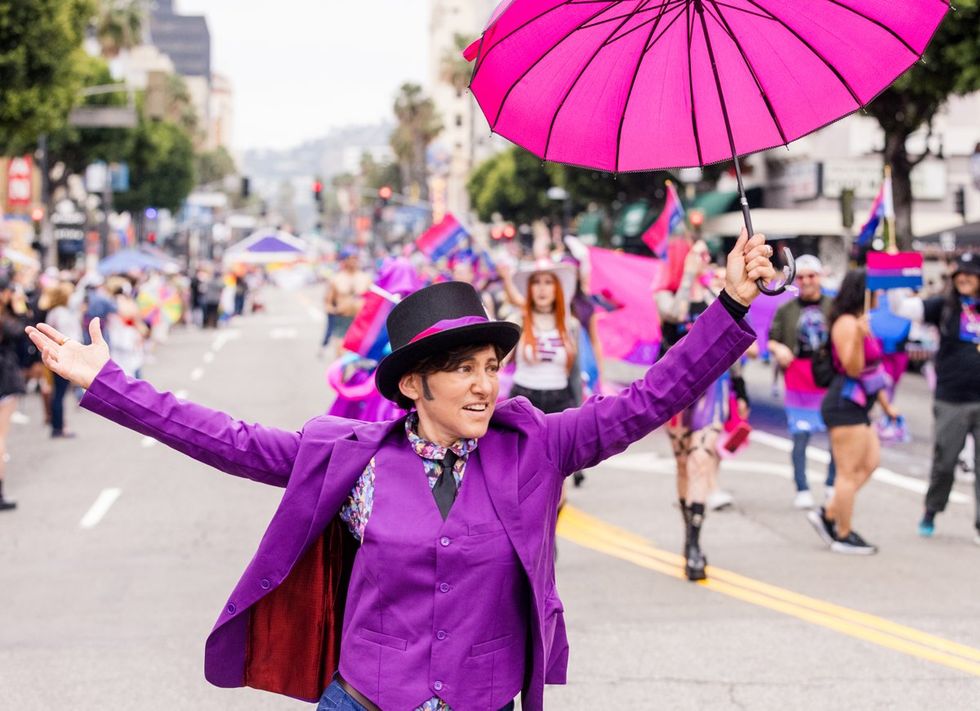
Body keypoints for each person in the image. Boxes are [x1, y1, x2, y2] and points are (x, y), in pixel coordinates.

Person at [27, 233, 774, 711]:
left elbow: (650, 398)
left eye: (491, 366)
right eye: (462, 369)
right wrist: (109, 384)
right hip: (364, 699)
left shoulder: (536, 447)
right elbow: (226, 439)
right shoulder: (353, 460)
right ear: (414, 384)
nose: (484, 385)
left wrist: (732, 304)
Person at [655, 240, 751, 580]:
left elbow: (729, 339)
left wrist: (741, 389)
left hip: (713, 388)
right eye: (697, 254)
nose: (704, 259)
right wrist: (688, 278)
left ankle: (695, 544)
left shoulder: (715, 294)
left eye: (706, 254)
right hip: (675, 388)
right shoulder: (666, 294)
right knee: (683, 464)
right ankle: (688, 534)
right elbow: (674, 316)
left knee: (700, 461)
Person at [808, 270, 898, 555]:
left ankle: (829, 513)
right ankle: (843, 534)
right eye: (876, 290)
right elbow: (853, 368)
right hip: (844, 404)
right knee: (847, 473)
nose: (880, 295)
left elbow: (873, 371)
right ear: (862, 291)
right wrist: (859, 336)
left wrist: (886, 406)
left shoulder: (861, 321)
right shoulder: (847, 323)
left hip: (861, 405)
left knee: (871, 462)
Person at [897, 252, 980, 544]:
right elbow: (902, 308)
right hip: (951, 398)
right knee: (945, 463)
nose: (964, 279)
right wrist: (894, 278)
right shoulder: (944, 305)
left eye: (970, 273)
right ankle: (932, 510)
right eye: (960, 274)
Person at [767, 255, 837, 509]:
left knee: (836, 435)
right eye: (802, 277)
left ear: (820, 277)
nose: (806, 281)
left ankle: (832, 485)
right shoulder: (786, 309)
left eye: (811, 276)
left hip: (828, 376)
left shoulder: (835, 306)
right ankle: (802, 487)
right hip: (798, 378)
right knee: (800, 435)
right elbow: (771, 339)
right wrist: (778, 349)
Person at [41, 282, 83, 438]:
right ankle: (58, 426)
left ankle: (58, 425)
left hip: (58, 354)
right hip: (62, 356)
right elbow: (68, 335)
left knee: (58, 393)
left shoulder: (55, 312)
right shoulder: (61, 313)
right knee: (59, 393)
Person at [0, 276, 26, 511]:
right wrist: (19, 310)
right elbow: (22, 334)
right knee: (0, 437)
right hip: (5, 379)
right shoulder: (7, 319)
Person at [323, 246, 371, 357]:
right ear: (344, 260)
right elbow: (328, 302)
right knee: (341, 354)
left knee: (359, 356)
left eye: (355, 257)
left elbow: (372, 301)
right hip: (343, 320)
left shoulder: (365, 278)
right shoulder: (336, 279)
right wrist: (333, 311)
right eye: (350, 258)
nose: (353, 260)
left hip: (360, 321)